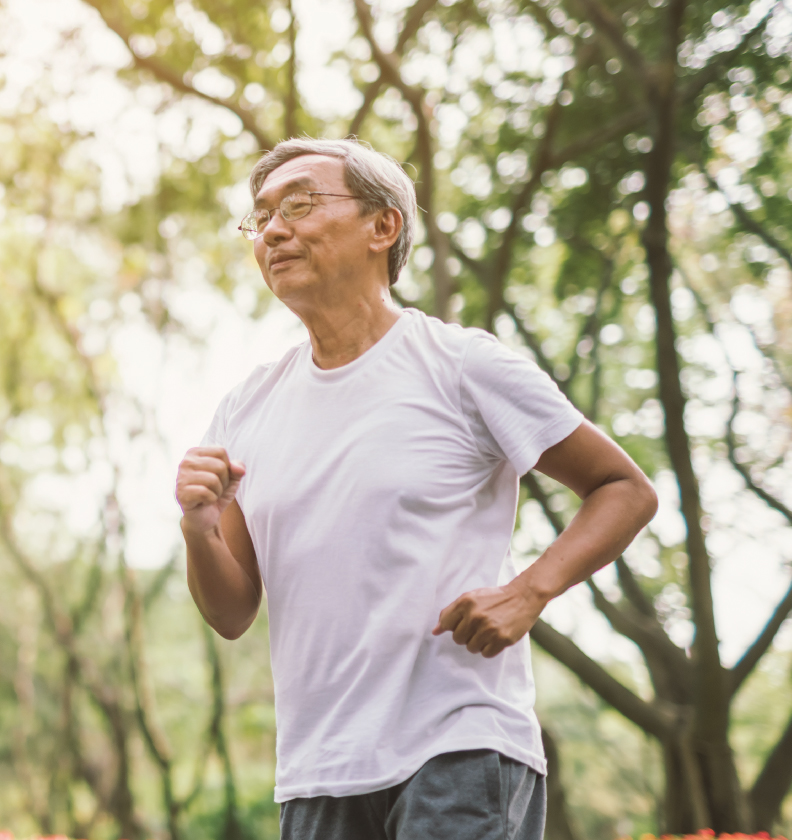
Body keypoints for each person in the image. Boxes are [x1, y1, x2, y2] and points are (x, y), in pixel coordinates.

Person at [175, 138, 658, 840]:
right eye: (261, 217)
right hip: (318, 768)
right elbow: (231, 609)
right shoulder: (247, 408)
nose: (274, 229)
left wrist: (529, 591)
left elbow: (624, 488)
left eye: (301, 204)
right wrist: (197, 526)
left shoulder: (460, 366)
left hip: (458, 745)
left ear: (383, 225)